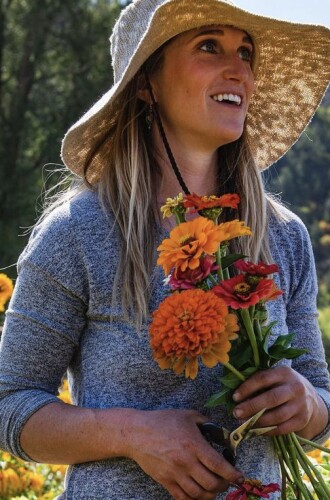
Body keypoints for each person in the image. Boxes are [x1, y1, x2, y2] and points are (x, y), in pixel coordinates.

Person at [0, 0, 330, 498]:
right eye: (208, 46)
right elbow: (9, 404)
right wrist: (131, 434)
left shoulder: (283, 236)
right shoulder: (77, 233)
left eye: (245, 52)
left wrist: (306, 405)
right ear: (146, 84)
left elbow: (321, 403)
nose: (237, 68)